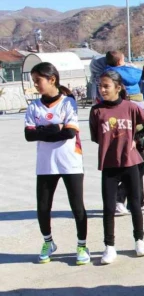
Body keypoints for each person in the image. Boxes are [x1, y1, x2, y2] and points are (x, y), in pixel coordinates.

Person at [24, 62, 90, 265]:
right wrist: (56, 127)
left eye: (38, 81)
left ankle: (81, 245)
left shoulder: (68, 103)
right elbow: (29, 135)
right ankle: (48, 242)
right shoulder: (33, 107)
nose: (35, 85)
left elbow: (70, 133)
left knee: (77, 207)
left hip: (70, 162)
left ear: (52, 79)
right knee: (43, 207)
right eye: (33, 81)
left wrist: (43, 131)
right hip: (45, 164)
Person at [90, 70, 144, 265]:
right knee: (109, 207)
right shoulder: (96, 111)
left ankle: (139, 240)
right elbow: (96, 136)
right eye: (100, 86)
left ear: (118, 88)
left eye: (106, 86)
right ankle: (109, 247)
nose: (102, 90)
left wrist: (136, 139)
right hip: (109, 163)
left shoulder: (130, 107)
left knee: (135, 203)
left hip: (130, 162)